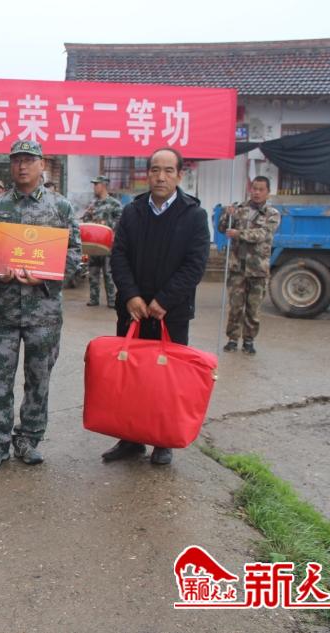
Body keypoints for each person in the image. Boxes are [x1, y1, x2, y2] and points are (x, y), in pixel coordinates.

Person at [0, 140, 81, 472]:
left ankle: (29, 438)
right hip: (2, 312)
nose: (22, 166)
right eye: (16, 160)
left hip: (43, 312)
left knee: (39, 379)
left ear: (41, 164)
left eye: (29, 160)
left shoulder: (60, 208)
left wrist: (45, 276)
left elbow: (74, 253)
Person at [102, 147, 210, 466]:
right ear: (147, 174)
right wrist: (131, 295)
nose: (160, 177)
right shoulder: (132, 211)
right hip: (133, 311)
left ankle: (163, 440)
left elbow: (195, 264)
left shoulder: (194, 215)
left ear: (179, 175)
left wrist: (165, 300)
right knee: (132, 377)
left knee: (166, 379)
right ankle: (130, 438)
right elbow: (119, 256)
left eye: (168, 170)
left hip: (171, 314)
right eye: (154, 170)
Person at [219, 176, 280, 355]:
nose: (257, 192)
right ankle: (232, 339)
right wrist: (227, 215)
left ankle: (249, 341)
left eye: (261, 189)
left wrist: (239, 233)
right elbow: (223, 228)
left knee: (253, 309)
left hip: (258, 269)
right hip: (238, 267)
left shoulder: (272, 214)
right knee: (235, 306)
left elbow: (263, 234)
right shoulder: (239, 209)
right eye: (254, 188)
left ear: (268, 192)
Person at [82, 176, 123, 308]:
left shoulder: (114, 204)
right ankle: (94, 299)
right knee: (93, 271)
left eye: (96, 184)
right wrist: (88, 216)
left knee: (108, 272)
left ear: (104, 185)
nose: (94, 187)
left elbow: (121, 221)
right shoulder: (93, 203)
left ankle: (111, 300)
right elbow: (86, 219)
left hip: (107, 244)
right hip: (94, 244)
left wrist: (108, 226)